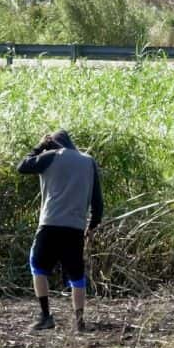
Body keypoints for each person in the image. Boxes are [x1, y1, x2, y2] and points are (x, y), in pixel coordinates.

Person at [17, 130, 103, 332]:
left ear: (53, 144)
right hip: (75, 227)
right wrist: (92, 226)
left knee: (37, 266)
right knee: (77, 275)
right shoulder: (88, 162)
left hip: (50, 224)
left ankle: (46, 316)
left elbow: (22, 166)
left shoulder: (50, 156)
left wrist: (39, 146)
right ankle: (79, 322)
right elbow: (98, 203)